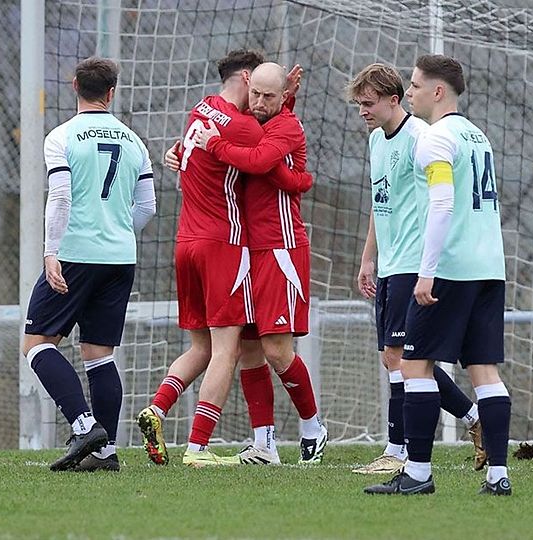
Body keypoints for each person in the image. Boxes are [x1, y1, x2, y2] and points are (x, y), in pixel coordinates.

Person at [364, 54, 511, 496]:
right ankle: (498, 476)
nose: (409, 93)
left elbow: (443, 205)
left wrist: (427, 273)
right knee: (484, 370)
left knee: (413, 364)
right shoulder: (476, 134)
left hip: (450, 269)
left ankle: (418, 474)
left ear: (437, 91)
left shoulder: (434, 138)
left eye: (414, 86)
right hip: (490, 266)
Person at [344, 63, 486, 475]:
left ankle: (398, 449)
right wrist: (368, 257)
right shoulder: (376, 140)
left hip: (414, 263)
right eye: (358, 105)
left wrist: (430, 263)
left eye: (368, 104)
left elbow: (442, 200)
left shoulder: (421, 138)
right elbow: (380, 200)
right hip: (390, 265)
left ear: (393, 100)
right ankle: (474, 419)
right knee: (396, 359)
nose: (363, 112)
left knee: (402, 356)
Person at [136, 49, 271, 467]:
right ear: (247, 78)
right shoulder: (245, 127)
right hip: (222, 244)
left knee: (201, 346)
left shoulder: (199, 110)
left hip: (185, 243)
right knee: (226, 350)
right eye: (262, 90)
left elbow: (188, 157)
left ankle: (156, 409)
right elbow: (276, 148)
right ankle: (197, 447)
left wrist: (172, 155)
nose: (264, 101)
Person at [23, 57, 156, 472]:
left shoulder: (61, 137)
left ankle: (85, 425)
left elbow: (60, 197)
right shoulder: (134, 141)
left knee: (37, 344)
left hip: (75, 254)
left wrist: (51, 251)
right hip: (120, 257)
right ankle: (105, 452)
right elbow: (148, 207)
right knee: (100, 355)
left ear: (75, 85)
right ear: (112, 92)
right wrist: (116, 231)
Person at [192, 62, 327, 464]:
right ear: (248, 87)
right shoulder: (249, 120)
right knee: (250, 348)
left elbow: (258, 162)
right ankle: (264, 443)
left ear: (283, 95)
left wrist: (213, 144)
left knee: (277, 350)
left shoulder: (285, 126)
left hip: (281, 249)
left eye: (271, 97)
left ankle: (313, 428)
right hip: (246, 250)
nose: (260, 103)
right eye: (256, 95)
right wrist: (183, 149)